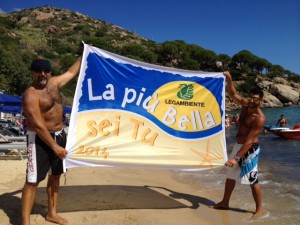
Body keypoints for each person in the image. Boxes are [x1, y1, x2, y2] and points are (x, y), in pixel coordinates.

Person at [22, 56, 81, 225]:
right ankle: (25, 222)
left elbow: (71, 72)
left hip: (60, 135)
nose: (42, 74)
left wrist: (84, 54)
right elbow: (38, 125)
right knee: (32, 181)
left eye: (46, 70)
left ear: (50, 72)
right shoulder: (30, 95)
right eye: (38, 71)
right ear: (32, 72)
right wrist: (54, 146)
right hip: (39, 140)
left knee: (55, 177)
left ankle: (52, 213)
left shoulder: (54, 84)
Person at [210, 71, 265, 217]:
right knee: (230, 175)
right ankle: (225, 202)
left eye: (255, 98)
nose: (252, 100)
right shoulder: (245, 105)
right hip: (238, 146)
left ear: (260, 101)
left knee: (252, 179)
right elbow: (233, 95)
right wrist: (229, 80)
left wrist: (236, 158)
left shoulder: (259, 119)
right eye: (251, 97)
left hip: (250, 149)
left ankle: (259, 209)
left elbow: (250, 140)